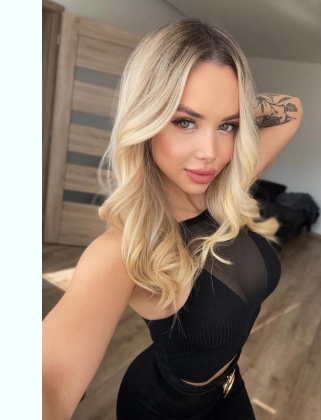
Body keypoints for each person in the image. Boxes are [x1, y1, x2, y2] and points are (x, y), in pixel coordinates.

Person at [42, 17, 302, 420]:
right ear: (145, 118)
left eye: (227, 126)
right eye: (184, 121)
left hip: (230, 386)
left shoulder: (222, 186)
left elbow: (292, 109)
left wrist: (222, 107)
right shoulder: (123, 248)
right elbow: (50, 383)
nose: (211, 152)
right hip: (163, 409)